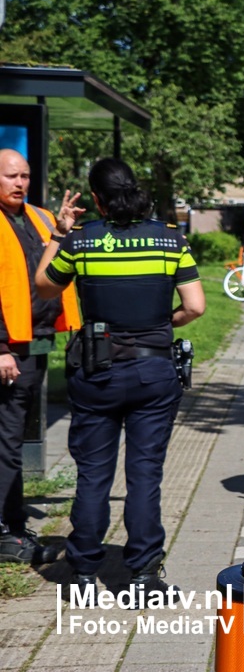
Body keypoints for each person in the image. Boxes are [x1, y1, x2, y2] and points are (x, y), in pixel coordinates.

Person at [34, 157, 204, 605]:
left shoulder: (82, 241)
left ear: (96, 199)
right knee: (145, 475)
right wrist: (159, 326)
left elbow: (44, 286)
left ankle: (84, 573)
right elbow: (196, 306)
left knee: (93, 475)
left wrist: (58, 235)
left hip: (96, 372)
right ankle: (144, 578)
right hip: (153, 372)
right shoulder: (171, 240)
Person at [0, 149, 81, 564]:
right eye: (12, 176)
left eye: (26, 176)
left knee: (12, 437)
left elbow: (49, 274)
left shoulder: (40, 217)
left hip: (36, 342)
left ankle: (12, 526)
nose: (20, 183)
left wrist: (62, 231)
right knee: (7, 441)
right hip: (8, 350)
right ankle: (5, 534)